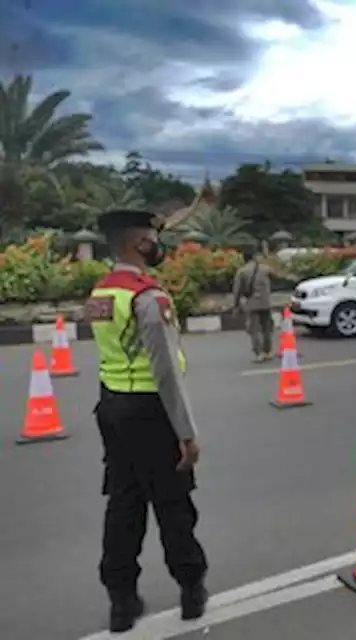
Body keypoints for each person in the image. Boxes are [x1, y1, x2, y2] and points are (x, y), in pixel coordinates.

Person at [87, 209, 208, 632]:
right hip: (150, 411)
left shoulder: (101, 292)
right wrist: (186, 435)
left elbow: (111, 354)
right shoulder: (148, 296)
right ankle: (191, 590)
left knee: (123, 504)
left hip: (112, 407)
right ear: (140, 243)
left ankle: (122, 602)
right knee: (173, 505)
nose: (159, 246)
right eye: (154, 239)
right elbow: (165, 372)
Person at [232, 244, 274, 362]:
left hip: (251, 304)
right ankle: (268, 352)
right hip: (265, 303)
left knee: (254, 329)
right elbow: (277, 277)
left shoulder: (242, 272)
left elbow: (237, 290)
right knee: (267, 328)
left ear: (244, 258)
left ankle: (259, 353)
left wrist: (236, 306)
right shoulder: (265, 268)